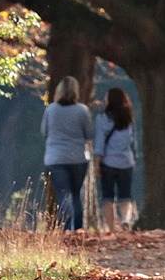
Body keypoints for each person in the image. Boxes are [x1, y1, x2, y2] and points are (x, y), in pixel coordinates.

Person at [41, 76, 94, 232]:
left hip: (55, 158)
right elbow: (89, 134)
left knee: (63, 194)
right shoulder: (82, 110)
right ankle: (78, 228)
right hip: (78, 158)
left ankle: (65, 227)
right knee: (76, 194)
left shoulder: (51, 110)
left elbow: (44, 131)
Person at [95, 86, 138, 231]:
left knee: (108, 197)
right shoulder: (129, 118)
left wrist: (97, 163)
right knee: (125, 196)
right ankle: (125, 220)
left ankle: (112, 228)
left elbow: (100, 143)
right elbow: (133, 142)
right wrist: (135, 159)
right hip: (126, 162)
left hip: (108, 162)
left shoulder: (102, 119)